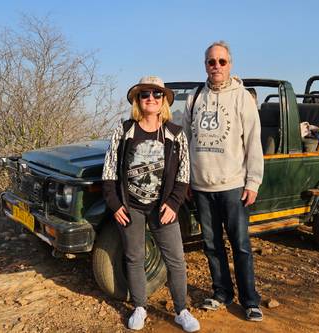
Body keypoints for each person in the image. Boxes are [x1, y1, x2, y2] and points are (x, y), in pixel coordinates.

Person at [101, 76, 200, 332]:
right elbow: (109, 171)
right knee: (134, 257)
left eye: (157, 94)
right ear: (137, 99)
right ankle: (140, 307)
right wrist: (115, 204)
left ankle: (181, 310)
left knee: (176, 259)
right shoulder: (123, 132)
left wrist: (174, 203)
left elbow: (183, 174)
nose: (151, 98)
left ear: (164, 100)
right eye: (145, 94)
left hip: (163, 207)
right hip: (131, 206)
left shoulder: (175, 134)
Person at [183, 41, 265, 322]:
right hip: (201, 187)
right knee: (211, 245)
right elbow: (184, 142)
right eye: (211, 61)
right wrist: (186, 181)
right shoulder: (195, 98)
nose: (216, 66)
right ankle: (221, 293)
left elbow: (254, 142)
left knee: (240, 246)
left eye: (221, 61)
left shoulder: (242, 98)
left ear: (230, 64)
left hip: (232, 186)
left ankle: (250, 301)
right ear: (204, 64)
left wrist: (253, 181)